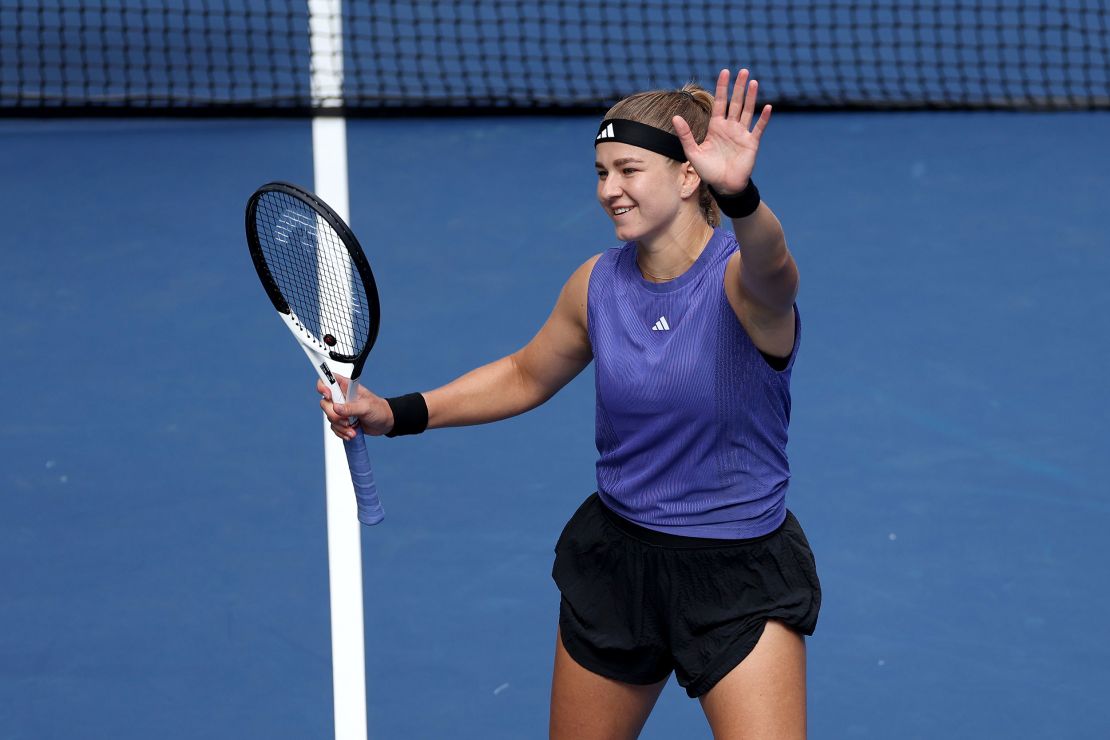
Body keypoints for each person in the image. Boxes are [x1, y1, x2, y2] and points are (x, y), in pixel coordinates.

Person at [318, 68, 821, 740]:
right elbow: (526, 374)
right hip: (619, 567)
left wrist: (745, 198)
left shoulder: (741, 284)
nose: (608, 190)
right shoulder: (597, 284)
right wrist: (396, 412)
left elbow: (776, 266)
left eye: (629, 170)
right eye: (601, 171)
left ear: (688, 176)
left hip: (739, 578)